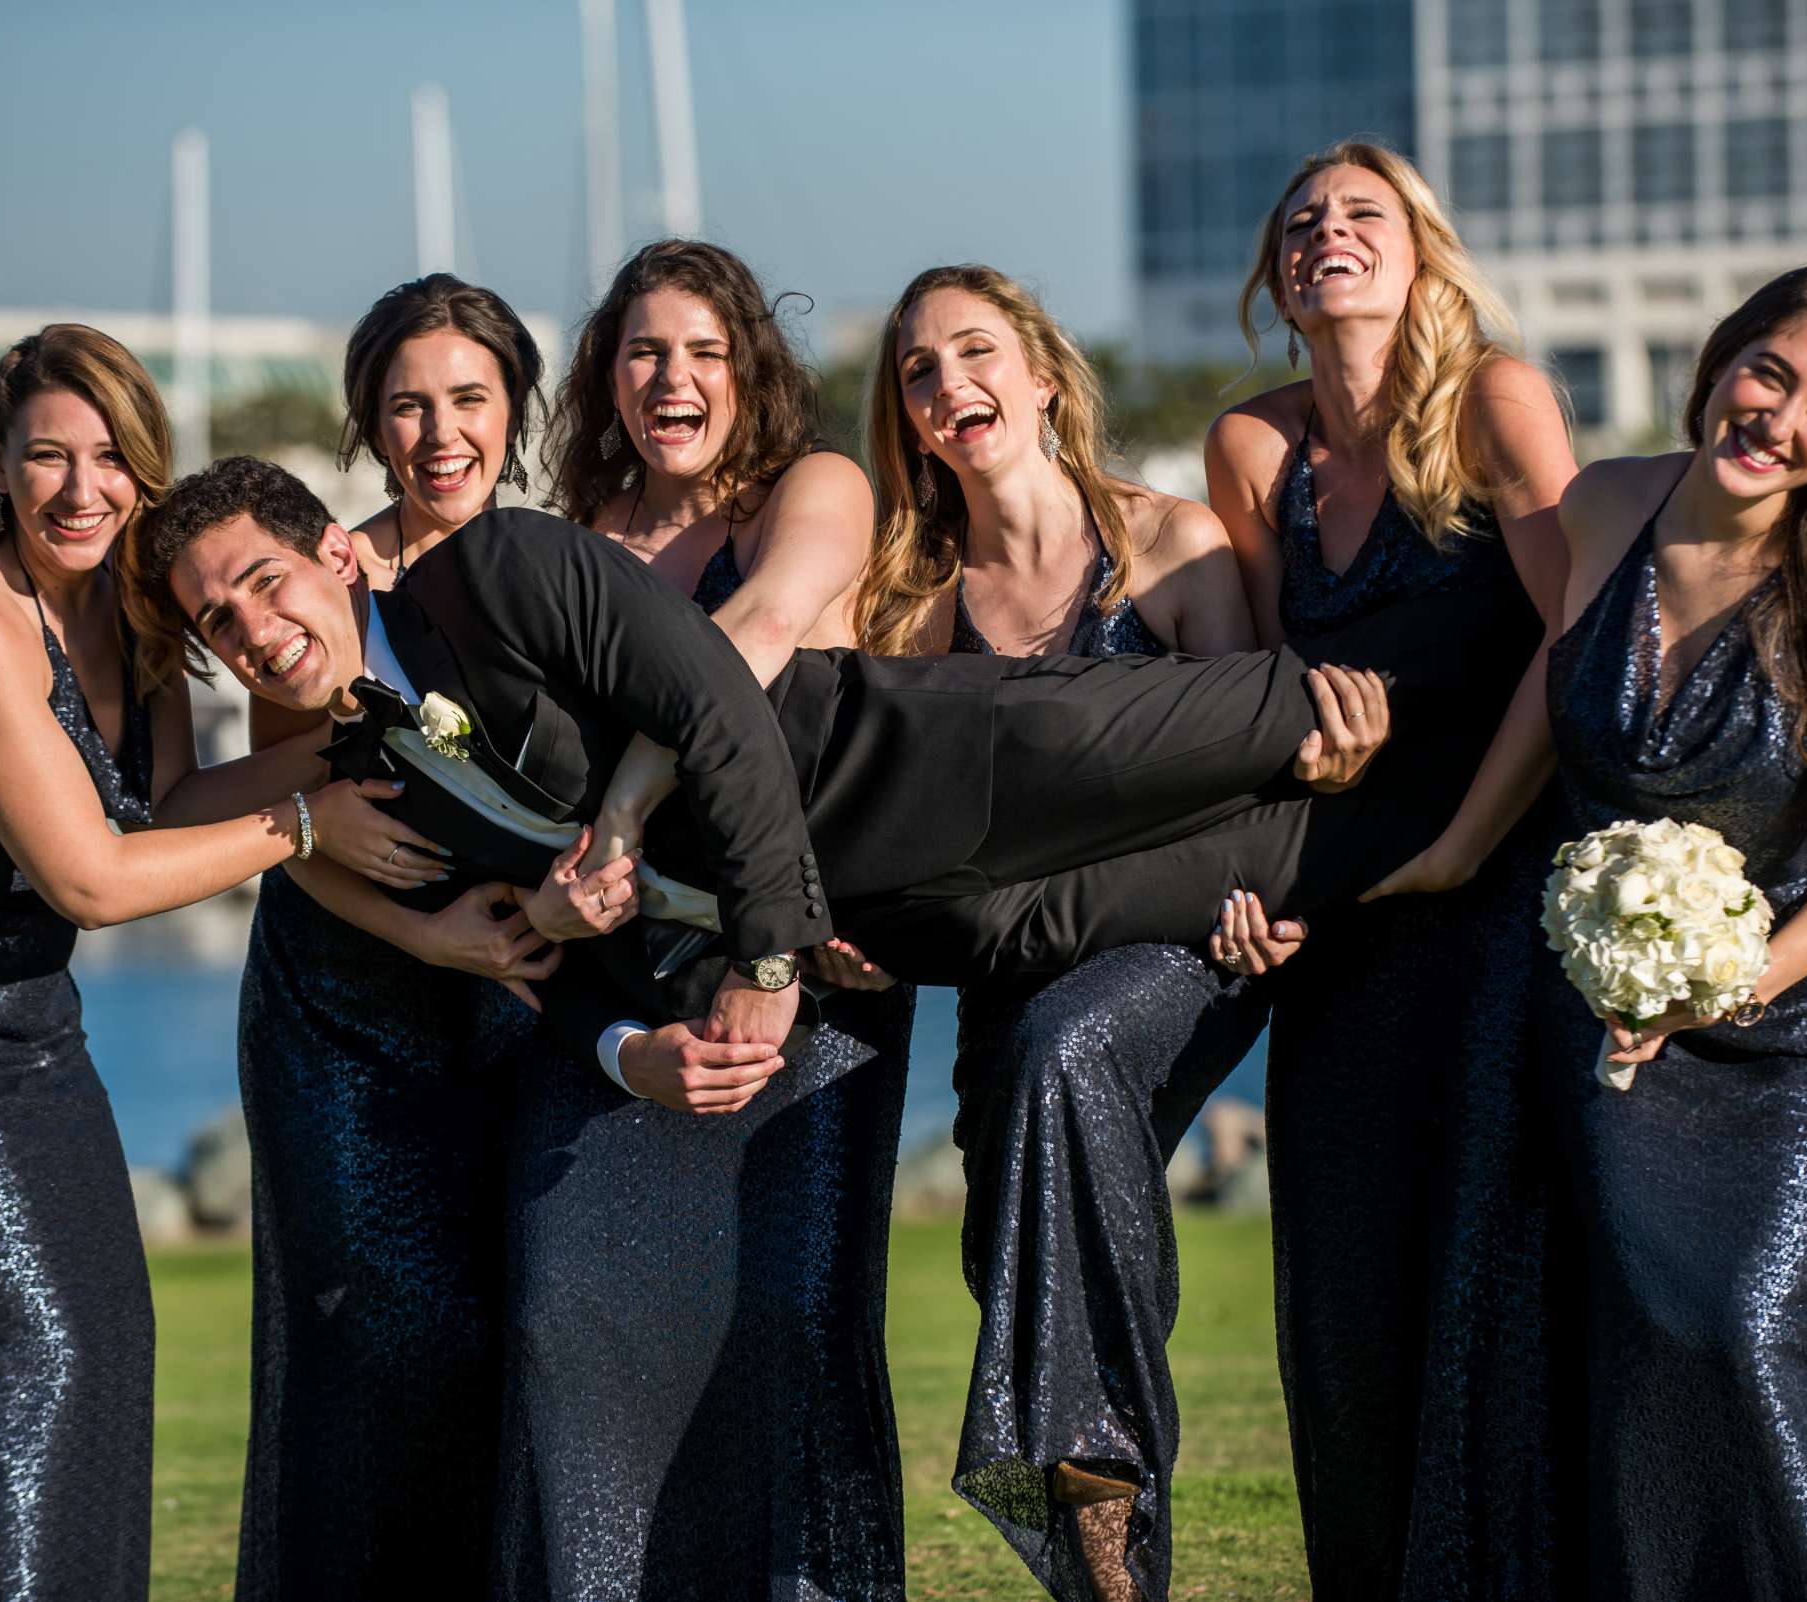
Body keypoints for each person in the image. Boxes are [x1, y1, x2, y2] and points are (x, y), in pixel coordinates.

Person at [0, 326, 402, 1601]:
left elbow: (171, 808)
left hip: (30, 1031)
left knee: (103, 1349)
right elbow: (92, 879)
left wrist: (385, 720)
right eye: (49, 457)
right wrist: (303, 825)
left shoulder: (133, 612)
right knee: (37, 1371)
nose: (83, 488)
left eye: (111, 457)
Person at [130, 455, 1422, 1056]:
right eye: (217, 623)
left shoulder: (496, 567)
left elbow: (715, 704)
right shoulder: (369, 785)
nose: (255, 628)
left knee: (1309, 714)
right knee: (1319, 858)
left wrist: (759, 955)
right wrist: (628, 1033)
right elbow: (546, 960)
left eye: (262, 581)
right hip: (932, 926)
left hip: (967, 755)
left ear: (339, 553)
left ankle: (1547, 750)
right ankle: (1466, 862)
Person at [851, 261, 1338, 1602]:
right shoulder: (910, 606)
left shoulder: (1170, 548)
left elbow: (1258, 773)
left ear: (1045, 375)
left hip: (1186, 950)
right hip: (1012, 970)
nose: (950, 383)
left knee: (1063, 1061)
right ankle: (1102, 1559)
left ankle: (1105, 1548)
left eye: (974, 351)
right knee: (1027, 1206)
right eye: (918, 370)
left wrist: (1261, 907)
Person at [446, 239, 919, 1598]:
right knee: (562, 1326)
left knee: (789, 1343)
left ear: (749, 370)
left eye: (707, 350)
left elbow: (751, 641)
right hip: (607, 1004)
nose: (675, 376)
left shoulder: (812, 491)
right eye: (647, 349)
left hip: (802, 982)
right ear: (607, 372)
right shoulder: (563, 539)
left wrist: (630, 809)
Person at [1202, 139, 1580, 1597]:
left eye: (1363, 214)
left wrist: (1468, 844)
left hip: (1496, 889)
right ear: (1276, 279)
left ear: (1419, 248)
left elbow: (1580, 641)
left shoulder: (1495, 396)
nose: (1327, 234)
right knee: (1345, 1292)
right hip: (1347, 908)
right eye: (1299, 221)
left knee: (1485, 1266)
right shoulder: (1252, 449)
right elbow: (1241, 696)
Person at [1542, 262, 1807, 1599]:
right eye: (1769, 372)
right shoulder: (1605, 505)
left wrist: (1739, 977)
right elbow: (1528, 716)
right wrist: (1430, 862)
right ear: (1722, 358)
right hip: (1613, 1024)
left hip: (1796, 1029)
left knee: (1751, 1325)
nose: (1779, 417)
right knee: (1646, 1342)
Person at [201, 274, 561, 1596]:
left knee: (499, 1343)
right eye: (405, 406)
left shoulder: (548, 562)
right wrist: (432, 943)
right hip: (341, 1011)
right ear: (369, 426)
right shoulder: (317, 582)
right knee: (373, 1350)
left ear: (512, 402)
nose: (439, 430)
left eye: (466, 396)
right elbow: (301, 839)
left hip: (501, 1020)